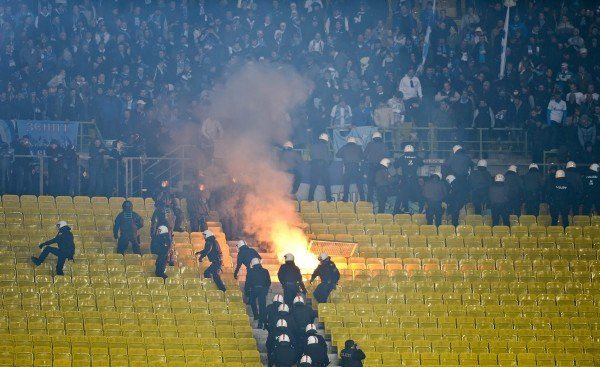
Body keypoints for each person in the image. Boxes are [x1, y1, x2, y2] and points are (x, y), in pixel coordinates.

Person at [394, 144, 423, 213]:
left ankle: (402, 210)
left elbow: (395, 166)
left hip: (405, 179)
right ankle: (422, 209)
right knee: (418, 195)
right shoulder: (417, 157)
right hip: (414, 178)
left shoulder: (402, 157)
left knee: (402, 195)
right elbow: (422, 164)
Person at [244, 258, 271, 329]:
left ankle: (256, 315)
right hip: (262, 290)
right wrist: (265, 290)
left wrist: (247, 292)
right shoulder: (265, 271)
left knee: (252, 301)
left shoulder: (250, 271)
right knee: (262, 307)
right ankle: (261, 323)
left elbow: (247, 282)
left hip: (254, 289)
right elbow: (268, 282)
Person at [336, 136, 365, 201]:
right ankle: (363, 199)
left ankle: (345, 199)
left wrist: (344, 155)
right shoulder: (358, 147)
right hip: (356, 168)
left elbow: (337, 155)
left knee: (346, 185)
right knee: (360, 185)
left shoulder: (344, 147)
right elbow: (363, 157)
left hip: (347, 168)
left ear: (348, 141)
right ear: (354, 141)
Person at [364, 131, 388, 202]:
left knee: (370, 185)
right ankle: (382, 202)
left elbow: (364, 155)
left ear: (373, 138)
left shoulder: (370, 144)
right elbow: (387, 155)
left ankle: (369, 202)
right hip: (381, 168)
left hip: (372, 167)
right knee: (380, 186)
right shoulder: (384, 145)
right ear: (380, 138)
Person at [308, 133, 332, 202]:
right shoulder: (325, 146)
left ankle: (310, 198)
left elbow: (311, 156)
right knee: (327, 183)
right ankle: (328, 198)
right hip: (322, 166)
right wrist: (328, 164)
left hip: (314, 166)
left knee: (313, 183)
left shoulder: (313, 146)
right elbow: (327, 157)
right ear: (326, 140)